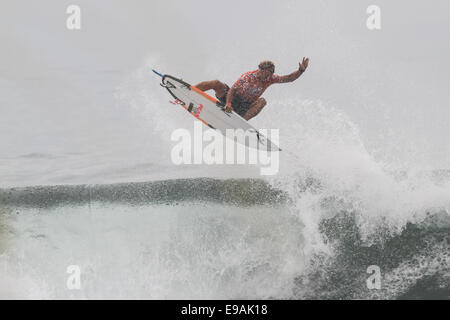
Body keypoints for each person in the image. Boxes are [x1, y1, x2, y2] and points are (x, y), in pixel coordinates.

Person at [195, 58, 309, 120]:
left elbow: (288, 78)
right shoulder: (249, 77)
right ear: (261, 70)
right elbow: (233, 90)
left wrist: (301, 71)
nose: (270, 76)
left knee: (262, 101)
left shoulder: (270, 79)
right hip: (232, 98)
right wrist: (228, 103)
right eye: (268, 73)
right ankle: (190, 89)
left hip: (245, 106)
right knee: (216, 83)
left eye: (271, 73)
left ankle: (240, 123)